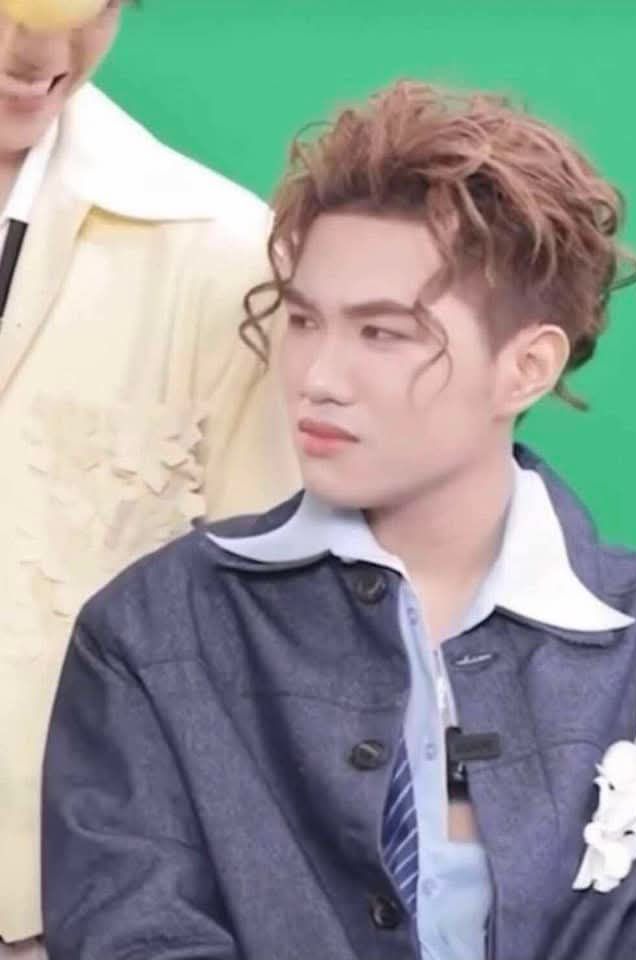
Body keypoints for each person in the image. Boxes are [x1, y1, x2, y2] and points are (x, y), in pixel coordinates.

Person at [43, 80, 636, 960]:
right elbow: (135, 936)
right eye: (303, 320)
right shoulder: (153, 632)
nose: (318, 377)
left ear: (527, 367)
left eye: (382, 334)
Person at [0, 0, 299, 954]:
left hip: (66, 918)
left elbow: (272, 649)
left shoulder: (222, 255)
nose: (44, 54)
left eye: (92, 7)